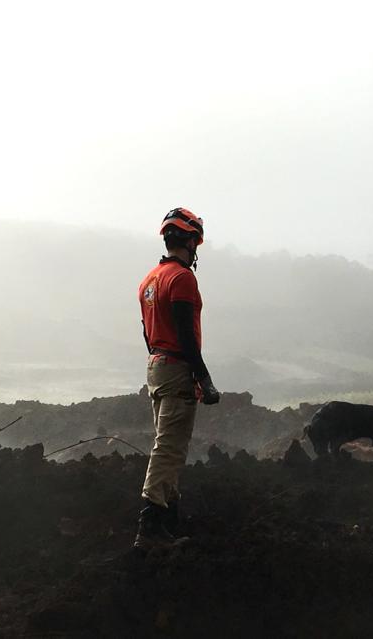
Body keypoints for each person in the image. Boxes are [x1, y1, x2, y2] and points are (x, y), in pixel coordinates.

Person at [134, 207, 221, 549]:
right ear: (190, 241)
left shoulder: (149, 279)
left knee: (170, 444)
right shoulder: (182, 279)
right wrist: (203, 376)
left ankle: (168, 519)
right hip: (176, 367)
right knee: (169, 449)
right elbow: (186, 334)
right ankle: (150, 527)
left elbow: (146, 332)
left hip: (157, 366)